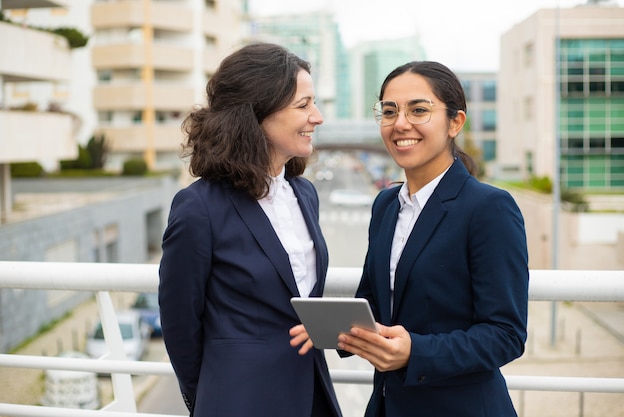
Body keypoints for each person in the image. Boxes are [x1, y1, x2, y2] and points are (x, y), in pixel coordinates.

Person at [291, 61, 529, 417]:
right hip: (389, 406)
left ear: (455, 122)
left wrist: (415, 352)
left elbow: (506, 334)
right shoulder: (386, 204)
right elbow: (373, 301)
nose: (401, 123)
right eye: (389, 111)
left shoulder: (489, 208)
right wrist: (333, 329)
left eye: (419, 110)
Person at [159, 42, 342, 417]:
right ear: (257, 113)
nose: (318, 117)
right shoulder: (199, 208)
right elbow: (179, 324)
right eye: (303, 105)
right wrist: (211, 398)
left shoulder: (305, 195)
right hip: (239, 401)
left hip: (312, 396)